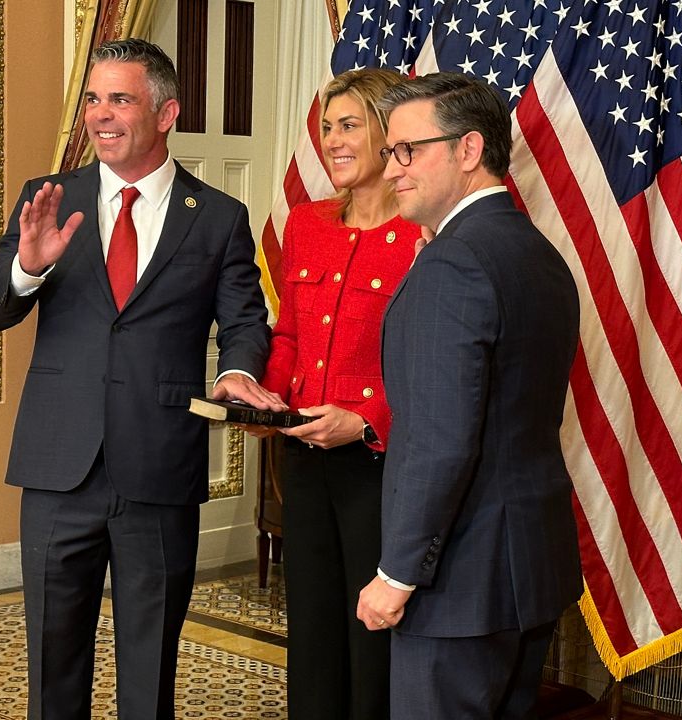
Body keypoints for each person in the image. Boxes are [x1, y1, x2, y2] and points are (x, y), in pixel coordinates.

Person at [0, 39, 283, 720]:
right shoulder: (49, 200)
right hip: (58, 468)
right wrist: (27, 266)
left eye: (120, 99)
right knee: (53, 659)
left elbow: (246, 321)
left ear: (166, 112)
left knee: (150, 665)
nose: (100, 116)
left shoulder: (219, 217)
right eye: (92, 99)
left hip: (159, 464)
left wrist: (236, 370)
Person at [355, 72, 582, 720]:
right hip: (525, 573)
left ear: (468, 150)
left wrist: (397, 575)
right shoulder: (537, 253)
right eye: (389, 151)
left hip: (458, 582)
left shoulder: (454, 266)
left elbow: (440, 442)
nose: (391, 169)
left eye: (408, 150)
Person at [255, 68, 418, 720]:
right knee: (313, 626)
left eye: (348, 125)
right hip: (302, 455)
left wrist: (367, 420)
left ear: (388, 134)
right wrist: (264, 402)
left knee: (372, 631)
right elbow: (290, 332)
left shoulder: (421, 230)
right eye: (326, 127)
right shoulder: (307, 223)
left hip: (378, 466)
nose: (332, 141)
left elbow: (434, 364)